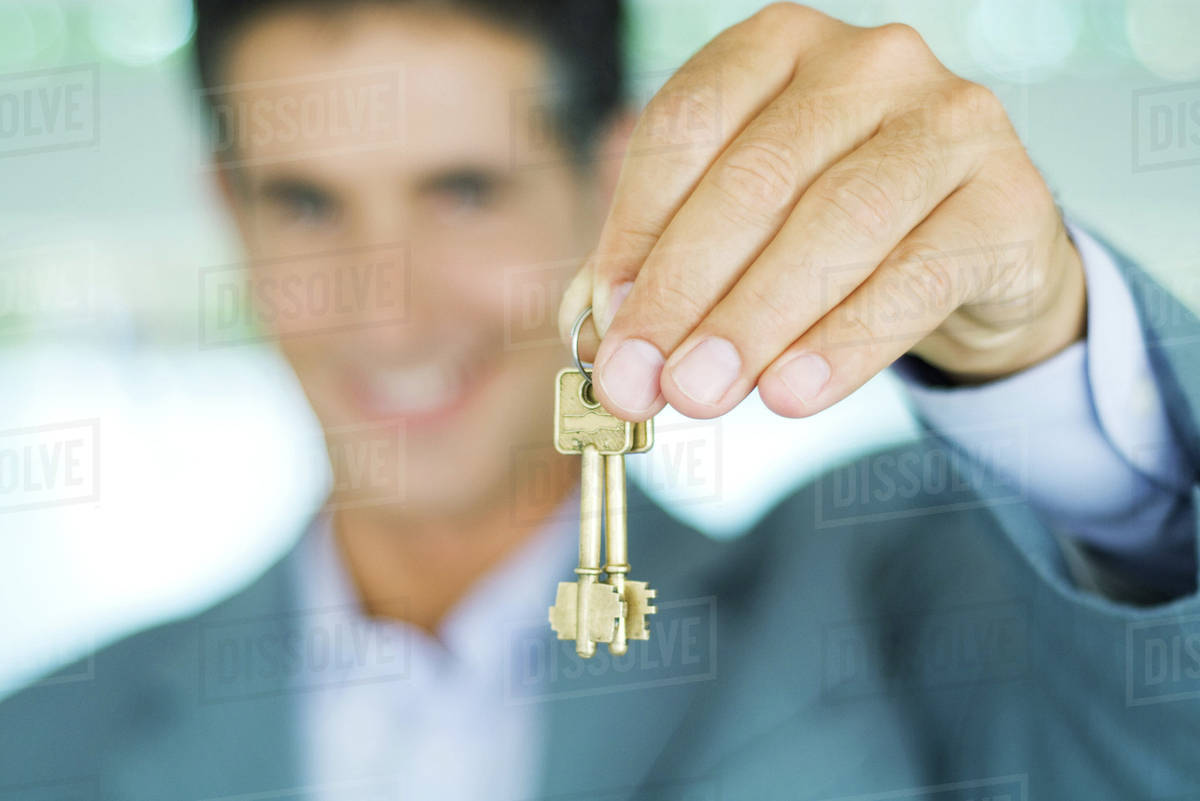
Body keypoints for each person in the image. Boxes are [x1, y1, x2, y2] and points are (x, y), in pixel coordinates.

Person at [1, 1, 1196, 798]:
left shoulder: (905, 609)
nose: (388, 313)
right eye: (306, 204)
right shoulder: (40, 743)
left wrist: (1039, 349)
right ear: (227, 205)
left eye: (464, 190)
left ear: (610, 177)